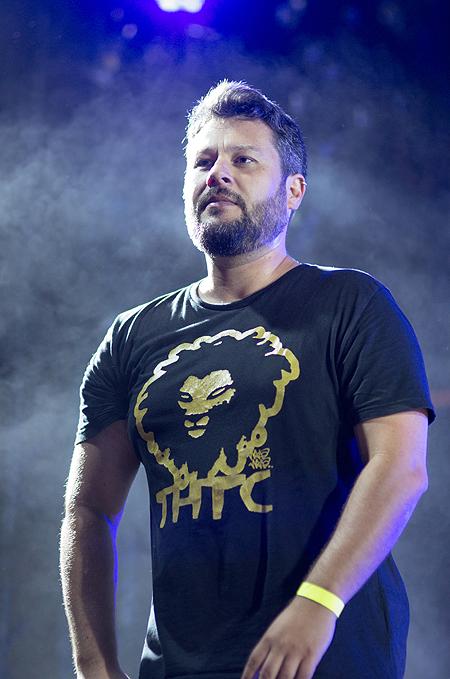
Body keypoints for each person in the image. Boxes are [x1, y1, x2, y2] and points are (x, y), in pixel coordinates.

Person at [60, 80, 435, 679]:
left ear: (293, 191)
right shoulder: (131, 337)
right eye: (203, 161)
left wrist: (318, 602)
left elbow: (400, 468)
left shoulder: (351, 304)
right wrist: (93, 665)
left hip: (328, 657)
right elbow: (88, 508)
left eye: (243, 160)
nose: (218, 174)